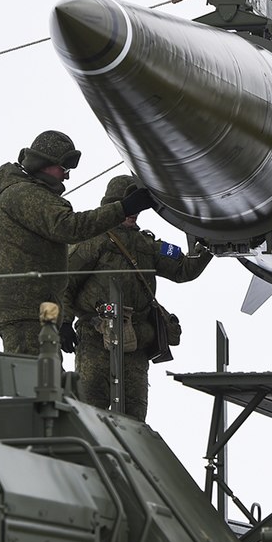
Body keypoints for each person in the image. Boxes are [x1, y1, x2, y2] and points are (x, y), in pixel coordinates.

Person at [0, 130, 154, 355]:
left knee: (49, 381)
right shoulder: (24, 194)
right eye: (64, 169)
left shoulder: (29, 193)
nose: (66, 177)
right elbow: (70, 226)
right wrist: (123, 208)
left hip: (40, 309)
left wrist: (61, 320)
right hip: (26, 310)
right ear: (45, 163)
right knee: (36, 382)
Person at [61, 174, 213, 421]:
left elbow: (184, 269)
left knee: (134, 422)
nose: (134, 213)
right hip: (95, 342)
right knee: (89, 417)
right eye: (128, 205)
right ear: (113, 205)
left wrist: (206, 244)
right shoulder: (93, 240)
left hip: (135, 346)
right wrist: (64, 322)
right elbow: (64, 282)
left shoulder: (149, 244)